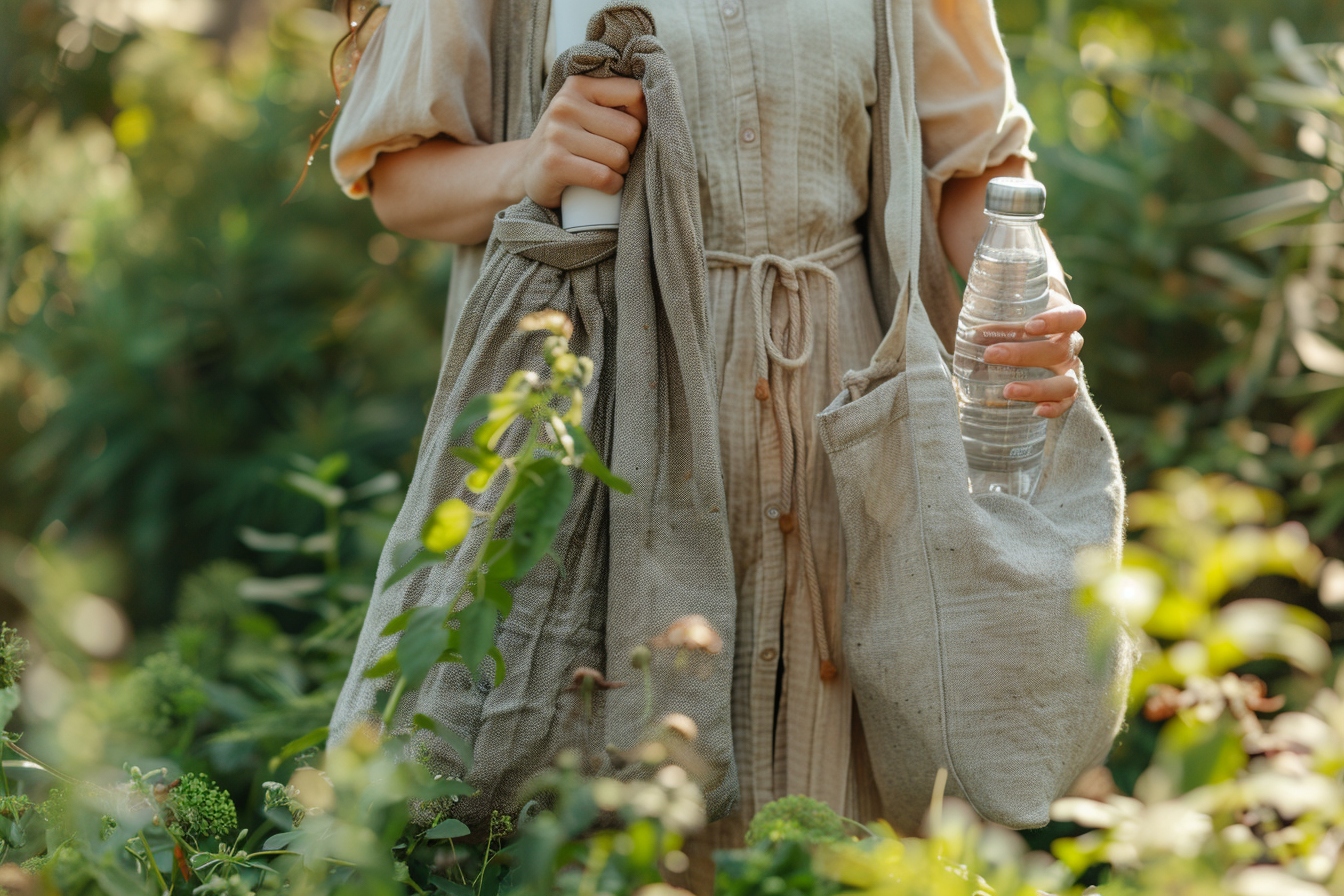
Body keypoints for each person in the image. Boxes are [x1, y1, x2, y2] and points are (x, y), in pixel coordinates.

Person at [329, 0, 1087, 887]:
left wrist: (1032, 295)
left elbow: (979, 162)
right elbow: (399, 181)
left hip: (848, 422)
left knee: (848, 816)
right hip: (617, 422)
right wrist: (534, 161)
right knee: (623, 787)